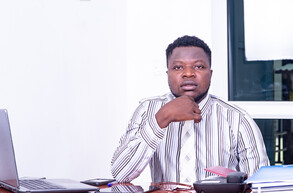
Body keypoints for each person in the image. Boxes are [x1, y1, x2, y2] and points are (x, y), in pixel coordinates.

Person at [111, 35, 269, 183]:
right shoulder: (147, 110)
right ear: (168, 74)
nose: (188, 73)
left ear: (210, 74)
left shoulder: (237, 118)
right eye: (178, 67)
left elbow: (259, 187)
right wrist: (162, 118)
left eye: (199, 66)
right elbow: (121, 174)